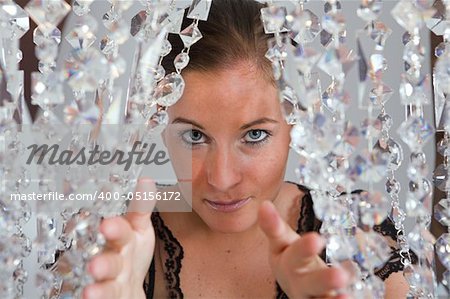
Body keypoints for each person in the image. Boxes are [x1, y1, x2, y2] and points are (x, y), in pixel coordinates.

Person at [81, 0, 414, 298]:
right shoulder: (113, 249)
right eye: (195, 137)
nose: (222, 179)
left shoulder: (357, 235)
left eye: (254, 135)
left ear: (294, 122)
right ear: (162, 124)